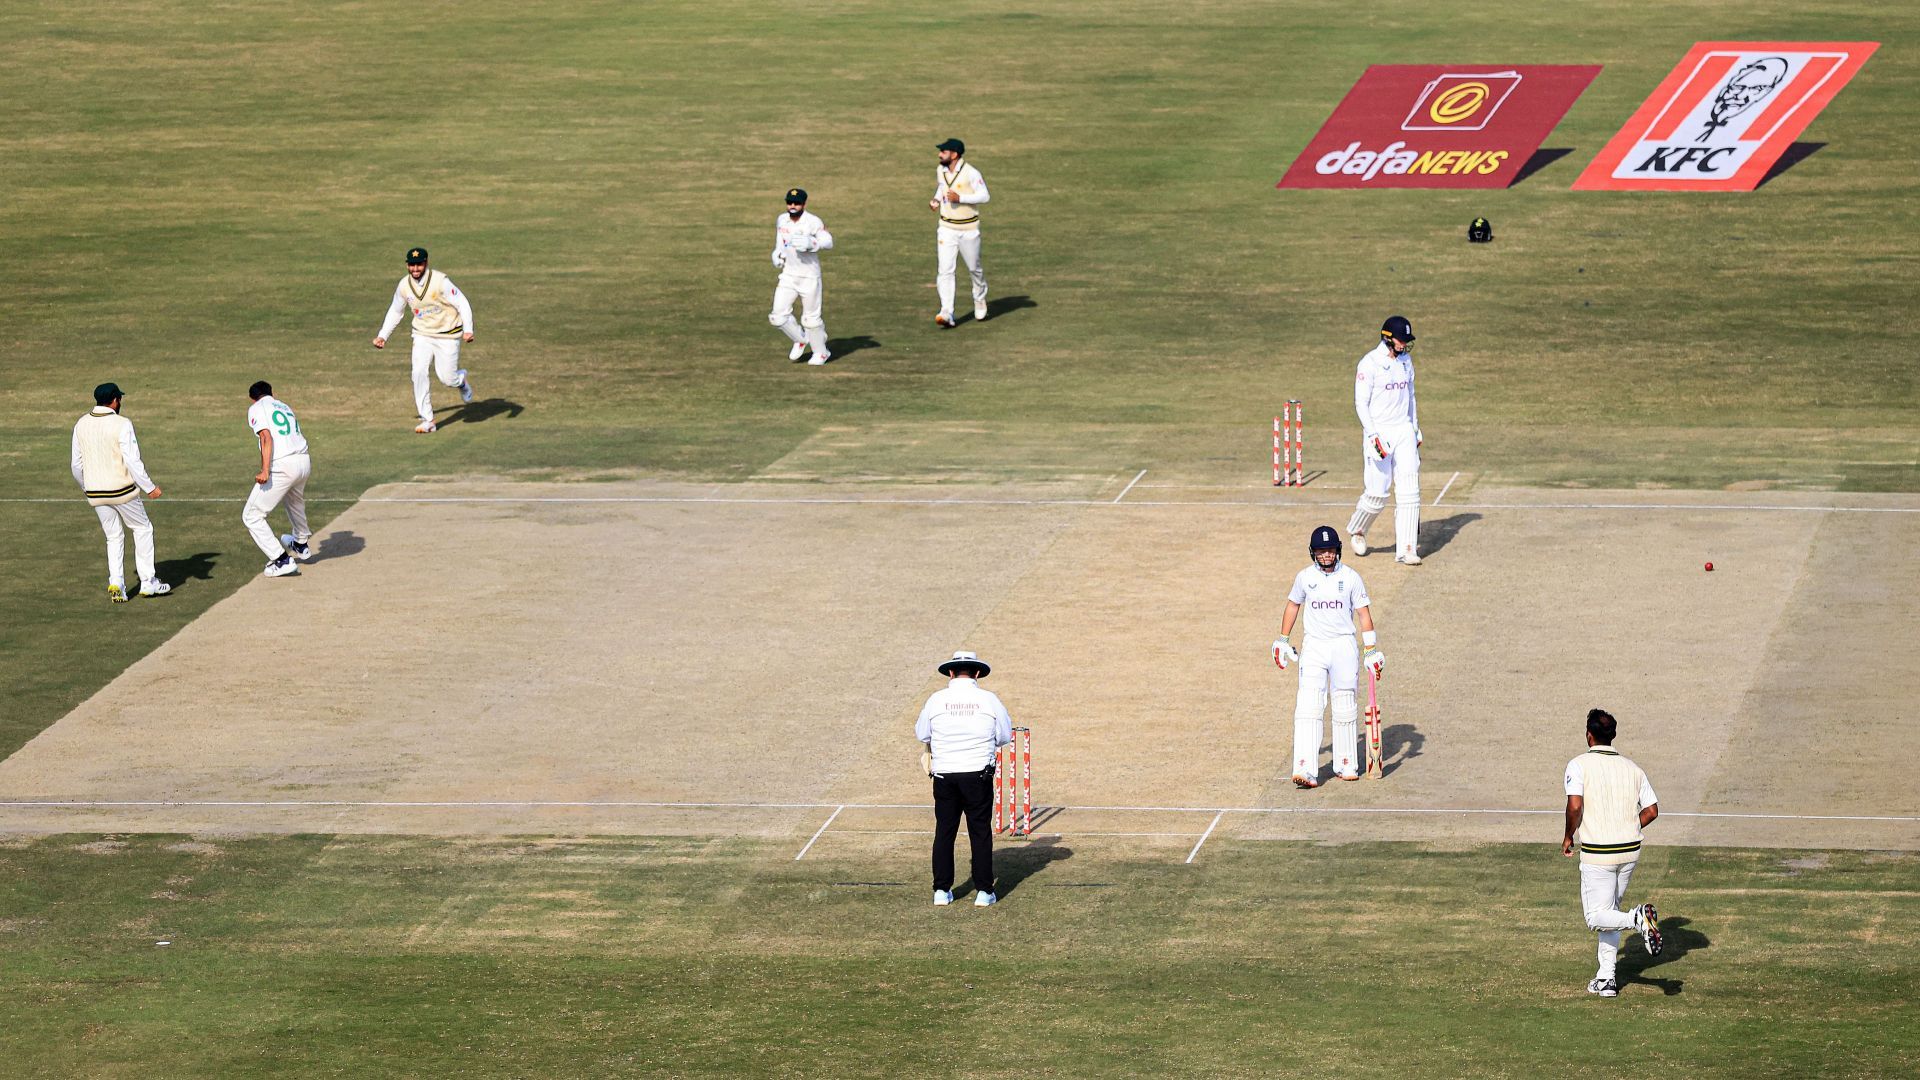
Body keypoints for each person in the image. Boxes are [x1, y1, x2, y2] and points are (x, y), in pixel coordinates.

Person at [1563, 708, 1665, 998]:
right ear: (1613, 736)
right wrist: (1631, 826)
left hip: (1599, 854)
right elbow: (1652, 810)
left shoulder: (1578, 764)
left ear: (1588, 735)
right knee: (1609, 913)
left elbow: (1574, 806)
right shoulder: (1633, 768)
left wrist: (1569, 836)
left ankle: (1637, 919)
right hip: (1630, 851)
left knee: (1596, 917)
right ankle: (1606, 979)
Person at [1273, 526, 1383, 786]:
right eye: (1321, 551)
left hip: (1343, 646)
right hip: (1314, 646)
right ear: (1313, 553)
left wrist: (1371, 650)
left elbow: (1364, 613)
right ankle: (1305, 768)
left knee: (1345, 705)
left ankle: (1346, 764)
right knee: (1309, 706)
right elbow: (1293, 605)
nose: (1326, 555)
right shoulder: (1304, 578)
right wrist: (1283, 639)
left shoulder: (1352, 578)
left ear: (1338, 551)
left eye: (1330, 550)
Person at [915, 650, 1013, 907]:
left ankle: (941, 890)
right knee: (979, 831)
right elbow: (1004, 736)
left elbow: (922, 734)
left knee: (944, 831)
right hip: (977, 775)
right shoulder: (988, 699)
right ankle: (983, 892)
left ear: (950, 673)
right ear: (977, 673)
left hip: (945, 775)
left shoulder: (936, 699)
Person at [70, 382, 168, 602]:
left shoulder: (81, 424)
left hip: (96, 493)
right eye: (119, 399)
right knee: (142, 528)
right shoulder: (122, 423)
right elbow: (132, 460)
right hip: (122, 491)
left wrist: (87, 487)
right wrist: (149, 487)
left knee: (113, 537)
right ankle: (148, 582)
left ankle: (117, 584)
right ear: (115, 400)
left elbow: (76, 465)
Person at [373, 246, 476, 433]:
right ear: (407, 265)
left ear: (426, 263)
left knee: (447, 378)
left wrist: (468, 329)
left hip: (447, 335)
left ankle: (461, 381)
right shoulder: (404, 285)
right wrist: (383, 335)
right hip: (422, 335)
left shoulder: (440, 281)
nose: (415, 269)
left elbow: (462, 302)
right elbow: (396, 311)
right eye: (411, 265)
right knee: (418, 372)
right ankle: (428, 419)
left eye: (419, 265)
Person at [1347, 315, 1424, 564]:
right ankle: (1358, 530)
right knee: (1378, 494)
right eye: (1402, 340)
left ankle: (1407, 548)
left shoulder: (1406, 361)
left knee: (1409, 490)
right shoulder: (1369, 363)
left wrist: (1415, 428)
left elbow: (1411, 396)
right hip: (1379, 431)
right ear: (1388, 338)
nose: (1405, 345)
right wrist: (1372, 435)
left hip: (1403, 430)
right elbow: (1361, 403)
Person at [242, 381, 314, 578]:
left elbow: (266, 437)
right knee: (294, 500)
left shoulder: (256, 407)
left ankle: (281, 560)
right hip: (303, 460)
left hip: (283, 465)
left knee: (251, 516)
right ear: (271, 393)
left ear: (252, 398)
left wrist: (265, 470)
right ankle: (300, 544)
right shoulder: (284, 405)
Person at [768, 188, 835, 365]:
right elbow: (780, 242)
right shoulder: (782, 220)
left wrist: (812, 243)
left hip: (809, 276)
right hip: (788, 275)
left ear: (804, 204)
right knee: (777, 317)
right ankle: (800, 339)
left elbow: (828, 241)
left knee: (811, 319)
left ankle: (821, 352)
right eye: (790, 202)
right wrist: (777, 254)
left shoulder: (812, 222)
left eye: (796, 203)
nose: (792, 206)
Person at [928, 138, 990, 327]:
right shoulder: (941, 170)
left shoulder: (971, 173)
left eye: (944, 152)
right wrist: (937, 200)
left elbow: (985, 196)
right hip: (946, 228)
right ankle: (946, 311)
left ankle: (979, 297)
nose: (940, 155)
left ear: (954, 154)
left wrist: (960, 198)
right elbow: (942, 186)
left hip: (969, 228)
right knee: (945, 270)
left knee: (974, 268)